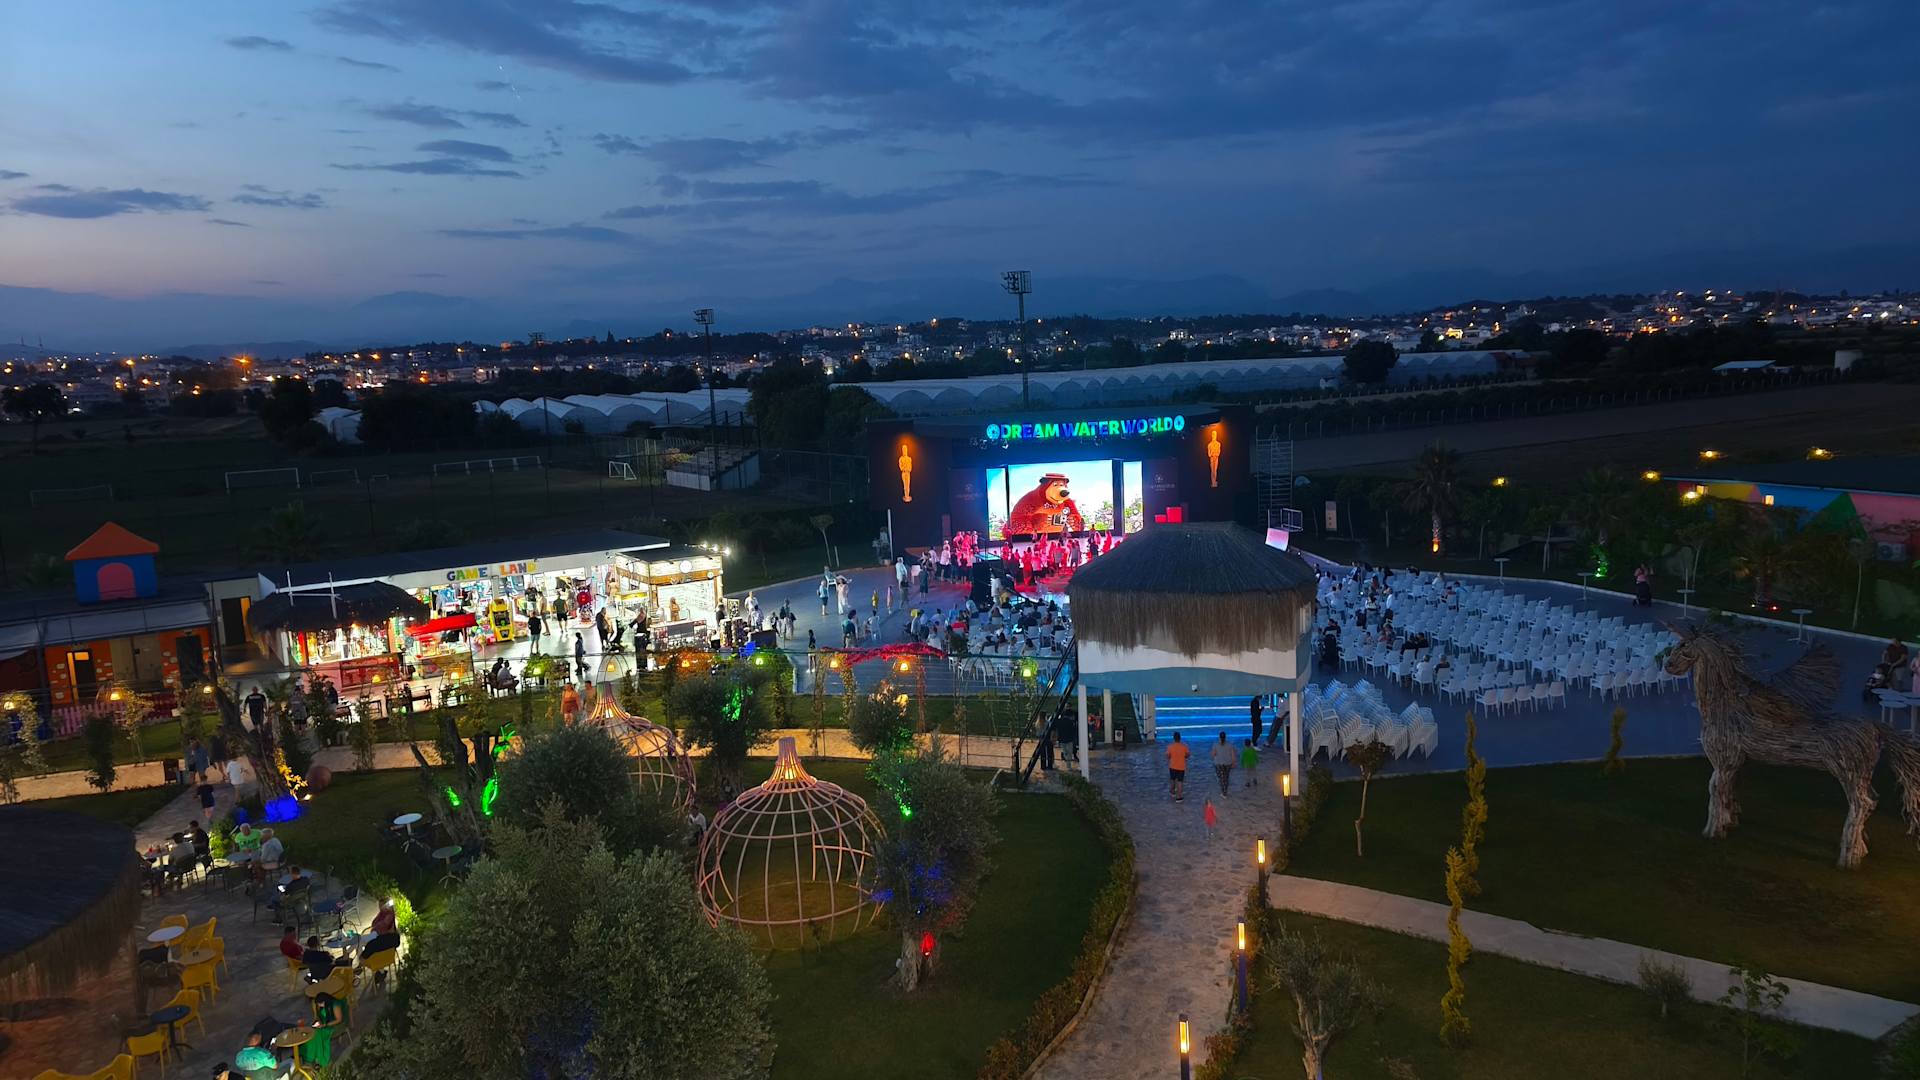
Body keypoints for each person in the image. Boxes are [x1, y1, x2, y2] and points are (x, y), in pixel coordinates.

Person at [1166, 731, 1189, 803]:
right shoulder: (1184, 746)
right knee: (1180, 781)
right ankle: (1179, 797)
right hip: (1181, 766)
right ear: (1180, 738)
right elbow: (1187, 755)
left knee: (1172, 779)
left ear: (1174, 738)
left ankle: (1172, 791)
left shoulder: (1170, 747)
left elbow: (1168, 756)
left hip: (1172, 766)